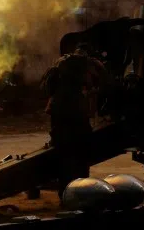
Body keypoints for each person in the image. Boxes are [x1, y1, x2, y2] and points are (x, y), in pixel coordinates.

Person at [41, 43, 112, 194]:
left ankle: (64, 193)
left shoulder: (60, 62)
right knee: (81, 156)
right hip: (77, 113)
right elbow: (105, 83)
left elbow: (47, 86)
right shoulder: (90, 64)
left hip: (57, 112)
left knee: (62, 155)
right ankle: (80, 191)